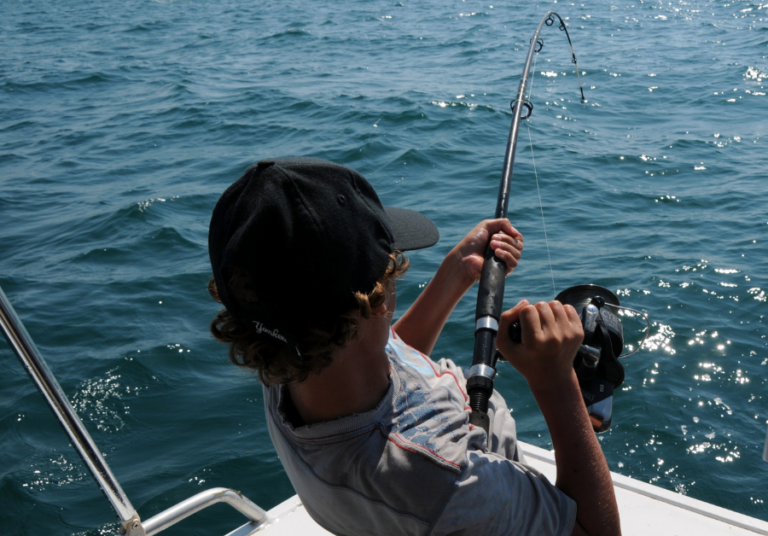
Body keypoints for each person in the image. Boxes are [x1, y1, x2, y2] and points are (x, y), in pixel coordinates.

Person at [207, 157, 620, 536]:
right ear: (377, 301)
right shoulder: (447, 480)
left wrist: (457, 273)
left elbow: (372, 354)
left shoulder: (283, 356)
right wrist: (555, 381)